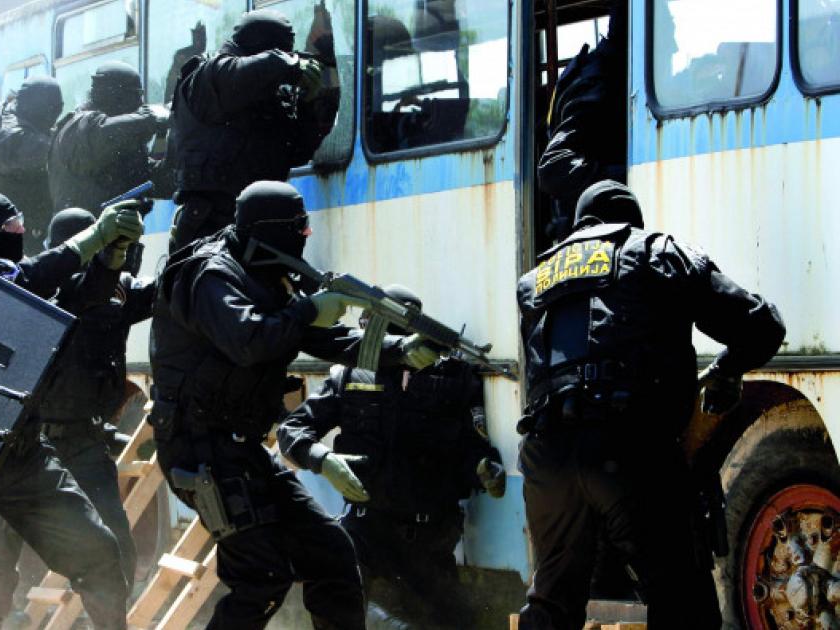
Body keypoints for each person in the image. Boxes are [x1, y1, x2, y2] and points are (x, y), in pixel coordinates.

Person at [148, 180, 438, 628]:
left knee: (333, 555)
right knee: (260, 577)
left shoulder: (265, 271)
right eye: (299, 227)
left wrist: (399, 350)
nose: (306, 235)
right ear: (271, 229)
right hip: (199, 449)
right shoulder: (211, 274)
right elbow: (248, 340)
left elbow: (327, 339)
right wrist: (308, 311)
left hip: (241, 450)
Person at [514, 180, 786, 629]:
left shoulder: (534, 281)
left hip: (547, 456)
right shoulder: (655, 252)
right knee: (682, 603)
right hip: (629, 447)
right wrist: (726, 370)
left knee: (552, 605)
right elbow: (761, 324)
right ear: (632, 221)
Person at [0, 192, 139, 630]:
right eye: (10, 226)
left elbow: (84, 295)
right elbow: (23, 279)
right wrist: (95, 236)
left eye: (21, 222)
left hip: (25, 450)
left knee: (99, 550)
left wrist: (110, 256)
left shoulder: (26, 276)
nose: (20, 231)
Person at [278, 284, 506, 628]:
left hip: (429, 536)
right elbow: (293, 430)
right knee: (336, 594)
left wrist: (486, 471)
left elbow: (474, 449)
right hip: (366, 528)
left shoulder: (452, 377)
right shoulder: (349, 374)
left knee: (452, 622)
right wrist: (321, 459)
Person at [165, 9, 336, 250]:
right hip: (208, 227)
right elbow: (238, 74)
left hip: (259, 227)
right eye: (282, 51)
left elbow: (297, 152)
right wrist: (290, 64)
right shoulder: (206, 75)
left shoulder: (270, 94)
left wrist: (308, 103)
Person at [536, 3, 627, 243]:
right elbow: (554, 168)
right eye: (665, 36)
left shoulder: (608, 72)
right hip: (593, 242)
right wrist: (629, 175)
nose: (674, 47)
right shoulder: (600, 79)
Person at [48, 62, 167, 212]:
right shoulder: (79, 126)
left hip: (113, 225)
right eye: (136, 95)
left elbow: (157, 180)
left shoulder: (119, 141)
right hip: (83, 225)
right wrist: (153, 118)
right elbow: (104, 134)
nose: (140, 103)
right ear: (117, 96)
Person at [0, 76, 65, 254]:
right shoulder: (14, 137)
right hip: (17, 240)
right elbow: (59, 155)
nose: (54, 116)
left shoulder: (4, 118)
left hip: (15, 233)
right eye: (53, 109)